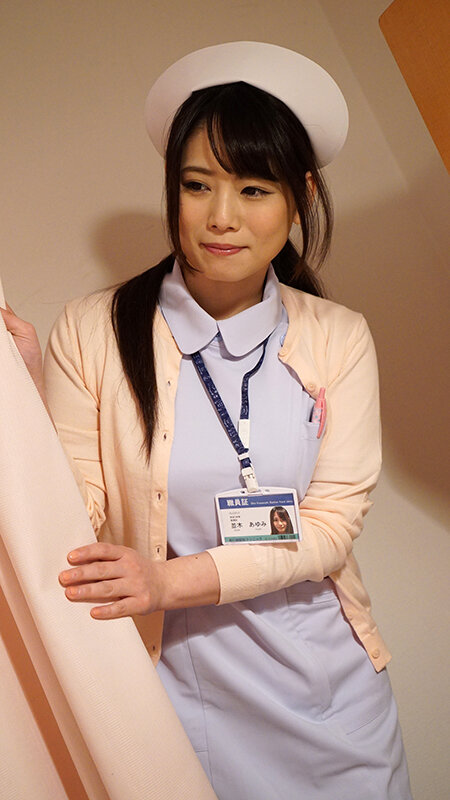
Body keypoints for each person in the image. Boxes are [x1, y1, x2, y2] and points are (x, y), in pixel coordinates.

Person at [1, 42, 412, 800]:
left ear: (300, 196)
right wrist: (20, 403)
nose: (222, 217)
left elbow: (330, 527)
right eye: (197, 186)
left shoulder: (338, 337)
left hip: (328, 698)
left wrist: (168, 580)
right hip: (177, 706)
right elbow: (75, 526)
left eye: (254, 189)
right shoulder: (93, 331)